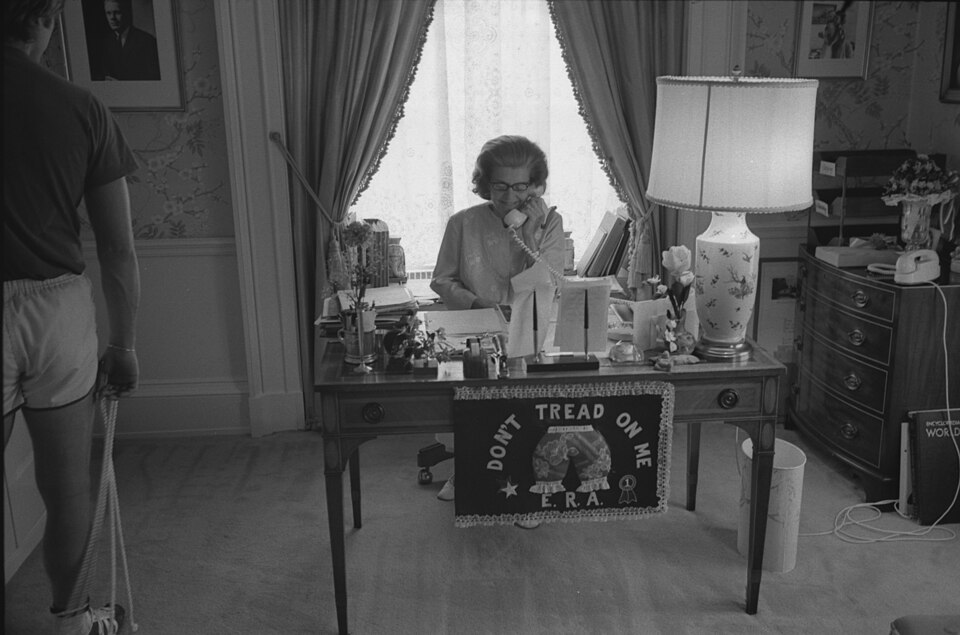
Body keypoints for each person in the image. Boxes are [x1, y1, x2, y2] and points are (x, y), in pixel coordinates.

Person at [4, 1, 141, 633]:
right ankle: (74, 621)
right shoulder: (81, 108)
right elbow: (116, 247)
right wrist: (126, 343)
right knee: (66, 492)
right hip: (54, 310)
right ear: (43, 21)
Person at [430, 136, 565, 526]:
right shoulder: (463, 223)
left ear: (535, 185)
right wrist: (477, 305)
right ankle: (468, 470)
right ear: (485, 183)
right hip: (475, 329)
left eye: (520, 186)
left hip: (530, 326)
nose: (509, 196)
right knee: (473, 406)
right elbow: (441, 280)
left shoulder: (549, 222)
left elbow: (547, 280)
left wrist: (532, 231)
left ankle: (530, 487)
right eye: (500, 186)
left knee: (527, 410)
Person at [95, 0, 160, 81]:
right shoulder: (106, 43)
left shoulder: (147, 41)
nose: (112, 17)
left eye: (117, 12)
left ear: (126, 12)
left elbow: (154, 79)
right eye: (108, 13)